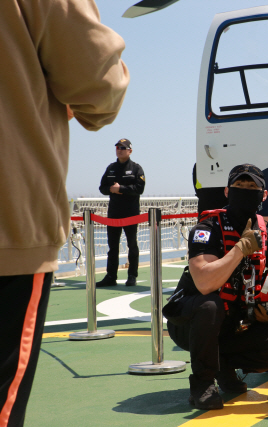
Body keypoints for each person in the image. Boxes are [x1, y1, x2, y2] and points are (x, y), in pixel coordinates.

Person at [0, 1, 129, 425]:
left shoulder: (132, 170)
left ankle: (120, 275)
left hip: (119, 215)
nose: (121, 153)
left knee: (120, 247)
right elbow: (100, 86)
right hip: (10, 231)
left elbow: (131, 186)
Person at [164, 164, 268, 410]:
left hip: (236, 323)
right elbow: (205, 284)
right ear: (227, 191)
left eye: (252, 187)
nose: (245, 191)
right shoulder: (207, 229)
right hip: (191, 323)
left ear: (263, 195)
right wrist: (239, 249)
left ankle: (223, 366)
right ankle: (203, 382)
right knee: (210, 305)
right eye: (239, 186)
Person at [97, 138, 145, 287]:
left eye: (123, 148)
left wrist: (121, 189)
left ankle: (132, 276)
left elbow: (140, 188)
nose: (119, 149)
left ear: (130, 151)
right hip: (114, 213)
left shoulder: (136, 168)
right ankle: (111, 276)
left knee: (132, 245)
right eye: (118, 147)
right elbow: (102, 187)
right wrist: (111, 189)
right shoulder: (111, 168)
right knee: (113, 246)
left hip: (131, 213)